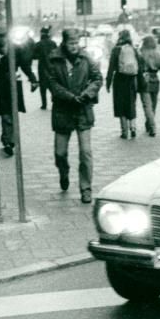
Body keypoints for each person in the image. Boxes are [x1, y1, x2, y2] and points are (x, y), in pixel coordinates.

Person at [46, 28, 103, 202]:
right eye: (71, 43)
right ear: (64, 42)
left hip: (83, 111)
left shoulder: (86, 58)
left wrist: (87, 94)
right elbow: (52, 84)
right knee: (60, 153)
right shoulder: (54, 59)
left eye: (76, 43)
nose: (74, 46)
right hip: (63, 111)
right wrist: (70, 97)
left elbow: (98, 78)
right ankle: (64, 172)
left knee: (85, 152)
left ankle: (86, 189)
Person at [0, 28, 37, 156]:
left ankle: (8, 139)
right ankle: (8, 140)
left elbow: (24, 65)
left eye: (3, 36)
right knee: (5, 114)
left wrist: (33, 79)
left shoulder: (15, 49)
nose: (1, 39)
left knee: (11, 113)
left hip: (12, 83)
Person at [106, 29, 142, 139]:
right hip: (132, 80)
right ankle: (133, 127)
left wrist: (108, 83)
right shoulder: (133, 49)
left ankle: (124, 131)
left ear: (119, 37)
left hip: (119, 80)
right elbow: (139, 67)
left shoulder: (116, 50)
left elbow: (111, 67)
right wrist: (140, 83)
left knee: (121, 105)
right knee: (131, 104)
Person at [138, 35, 160, 136]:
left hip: (145, 81)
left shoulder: (141, 54)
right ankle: (148, 125)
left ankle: (152, 127)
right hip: (155, 81)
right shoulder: (158, 54)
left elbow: (138, 69)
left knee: (147, 106)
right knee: (153, 106)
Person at [32, 26, 57, 109]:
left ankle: (44, 104)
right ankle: (55, 102)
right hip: (52, 67)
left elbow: (34, 56)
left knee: (43, 87)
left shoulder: (38, 44)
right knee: (52, 85)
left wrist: (40, 56)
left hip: (42, 68)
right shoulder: (53, 43)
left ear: (41, 33)